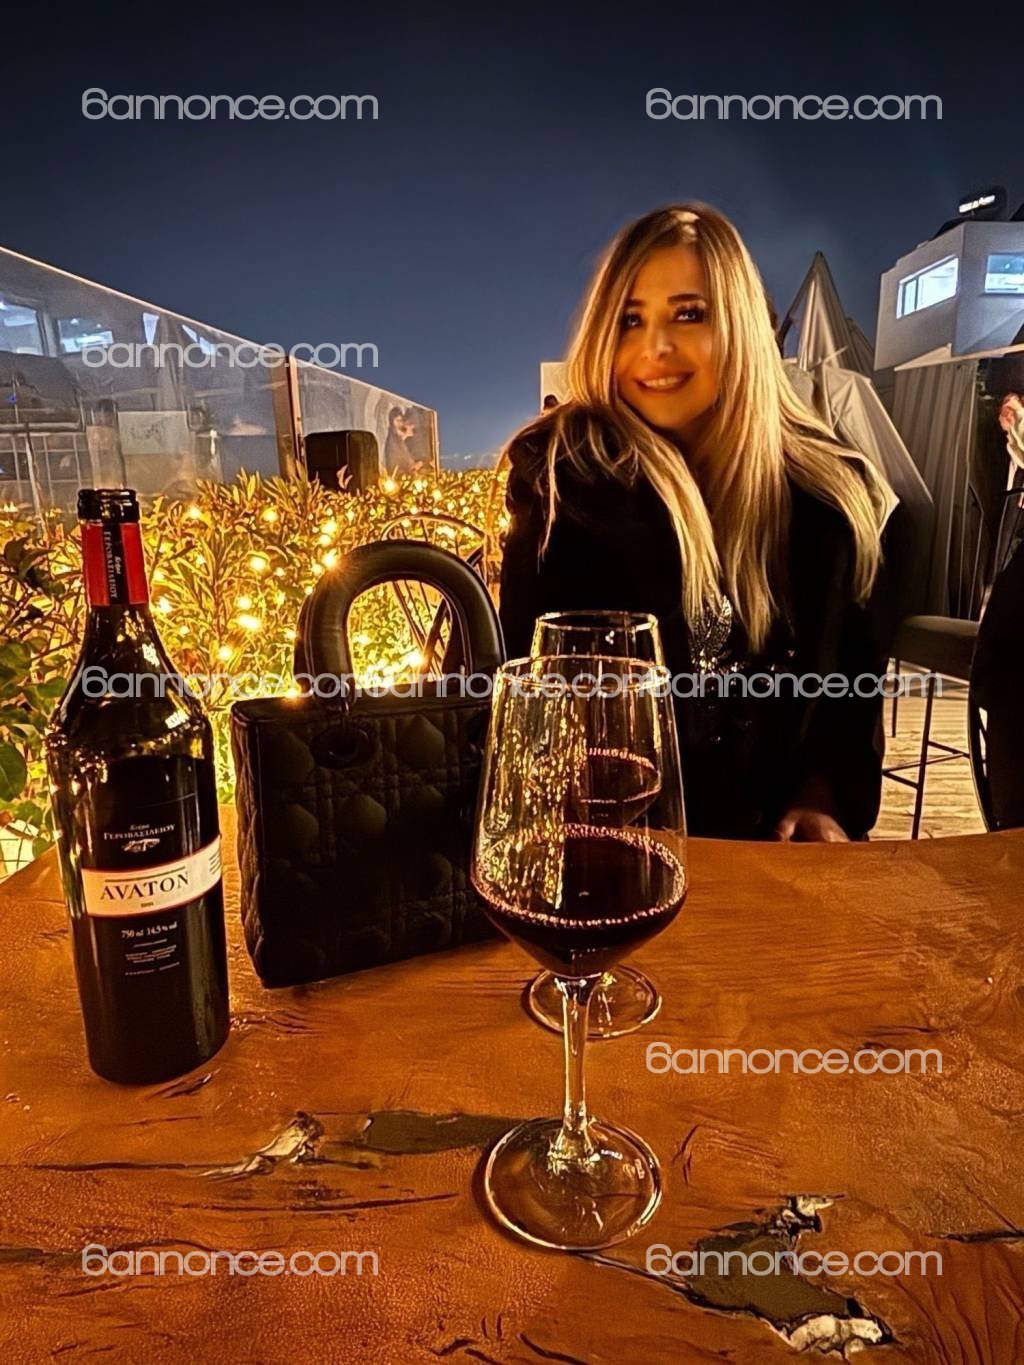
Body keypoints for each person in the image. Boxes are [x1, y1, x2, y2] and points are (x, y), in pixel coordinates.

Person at [499, 203, 901, 842]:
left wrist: (822, 798)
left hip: (775, 864)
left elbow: (849, 700)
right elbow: (531, 691)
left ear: (741, 326)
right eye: (630, 320)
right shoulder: (567, 480)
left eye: (688, 314)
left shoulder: (831, 496)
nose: (655, 348)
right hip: (616, 847)